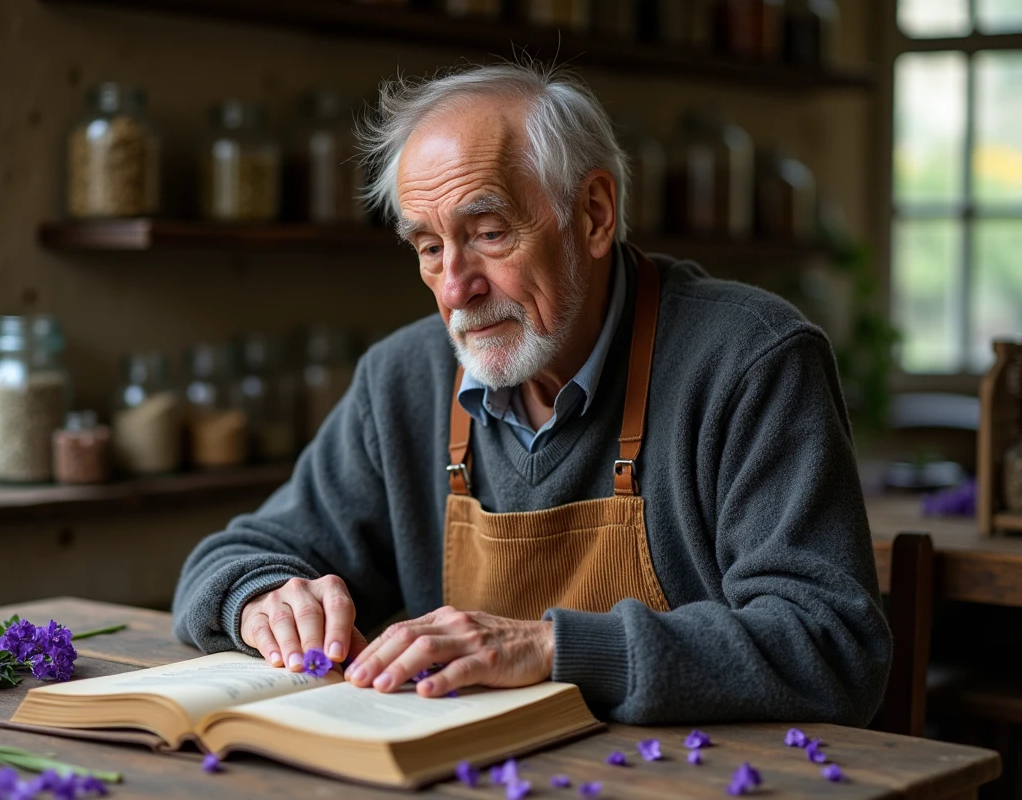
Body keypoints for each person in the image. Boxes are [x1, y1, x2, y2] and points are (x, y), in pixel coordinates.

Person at [173, 62, 891, 725]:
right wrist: (262, 596)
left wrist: (553, 648)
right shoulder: (404, 378)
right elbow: (230, 558)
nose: (456, 289)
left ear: (594, 215)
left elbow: (830, 643)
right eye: (428, 247)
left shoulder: (749, 359)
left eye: (488, 234)